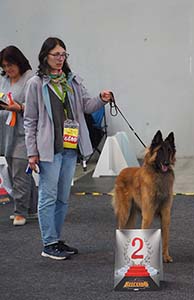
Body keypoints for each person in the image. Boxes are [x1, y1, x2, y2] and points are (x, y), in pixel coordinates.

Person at [24, 37, 112, 260]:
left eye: (63, 55)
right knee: (48, 196)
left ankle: (55, 239)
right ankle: (48, 243)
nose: (60, 59)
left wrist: (101, 99)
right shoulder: (36, 83)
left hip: (70, 148)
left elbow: (86, 107)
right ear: (45, 56)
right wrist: (31, 152)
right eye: (56, 55)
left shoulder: (71, 81)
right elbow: (30, 120)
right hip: (48, 150)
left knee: (63, 197)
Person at [0, 45, 38, 225]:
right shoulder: (5, 80)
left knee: (19, 173)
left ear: (19, 62)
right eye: (4, 66)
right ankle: (32, 209)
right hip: (8, 134)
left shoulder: (31, 79)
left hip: (25, 134)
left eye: (10, 65)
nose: (8, 70)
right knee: (18, 172)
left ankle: (20, 211)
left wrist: (20, 107)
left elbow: (36, 106)